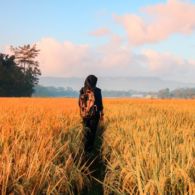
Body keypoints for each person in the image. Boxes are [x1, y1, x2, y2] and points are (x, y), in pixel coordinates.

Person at [79, 75, 104, 153]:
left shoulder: (82, 90)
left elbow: (79, 103)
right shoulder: (97, 91)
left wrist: (84, 110)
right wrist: (101, 114)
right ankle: (90, 150)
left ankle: (84, 149)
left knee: (86, 131)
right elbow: (100, 104)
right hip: (94, 115)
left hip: (85, 115)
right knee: (92, 132)